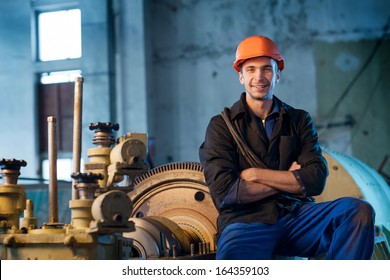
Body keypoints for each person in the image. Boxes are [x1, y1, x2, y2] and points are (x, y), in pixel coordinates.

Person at [198, 35, 375, 260]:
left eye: (267, 69)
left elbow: (316, 179)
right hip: (246, 223)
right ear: (240, 76)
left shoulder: (299, 120)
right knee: (232, 261)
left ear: (278, 74)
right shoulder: (221, 126)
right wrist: (289, 180)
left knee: (357, 211)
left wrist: (256, 175)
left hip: (297, 217)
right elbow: (225, 194)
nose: (259, 77)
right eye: (251, 69)